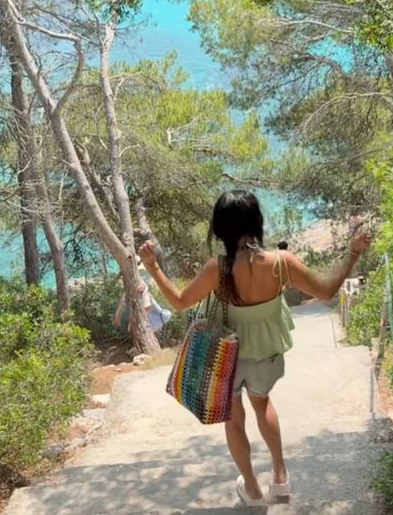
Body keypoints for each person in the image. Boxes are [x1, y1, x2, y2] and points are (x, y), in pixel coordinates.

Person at [138, 190, 371, 506]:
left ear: (219, 229)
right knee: (263, 404)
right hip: (267, 354)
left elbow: (179, 302)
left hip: (225, 358)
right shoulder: (281, 263)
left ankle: (252, 489)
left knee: (234, 417)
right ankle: (280, 477)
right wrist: (353, 253)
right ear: (257, 222)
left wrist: (153, 267)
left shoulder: (218, 269)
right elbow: (327, 290)